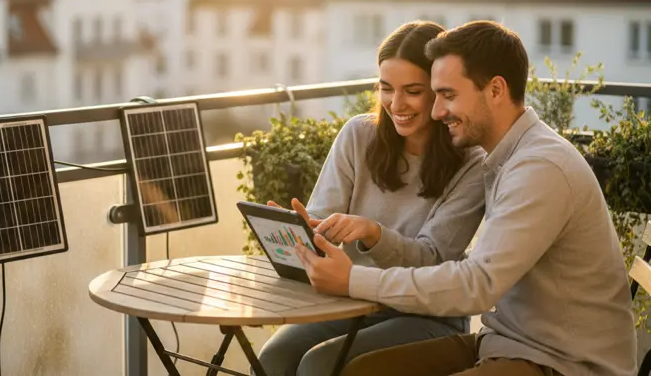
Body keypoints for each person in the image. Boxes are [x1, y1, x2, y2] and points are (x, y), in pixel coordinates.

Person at [292, 21, 637, 376]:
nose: (438, 112)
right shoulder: (507, 158)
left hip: (564, 363)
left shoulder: (540, 168)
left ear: (496, 90)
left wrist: (353, 279)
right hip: (502, 342)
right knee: (355, 371)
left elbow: (478, 284)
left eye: (449, 96)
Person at [256, 20, 488, 376]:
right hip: (351, 301)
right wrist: (304, 230)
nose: (396, 104)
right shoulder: (358, 136)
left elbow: (433, 259)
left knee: (319, 366)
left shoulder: (471, 163)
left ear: (439, 92)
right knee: (274, 357)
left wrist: (372, 232)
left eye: (412, 90)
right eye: (386, 88)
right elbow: (324, 216)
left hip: (426, 314)